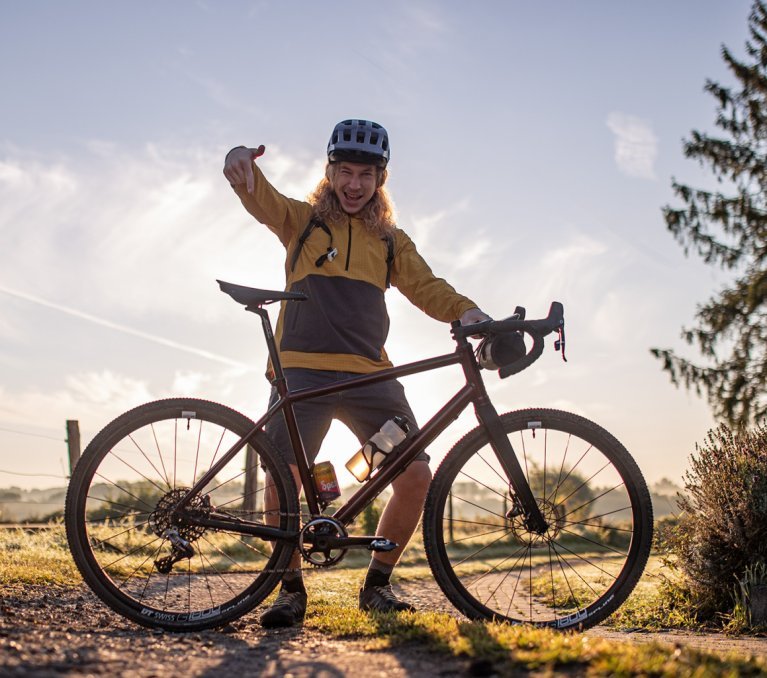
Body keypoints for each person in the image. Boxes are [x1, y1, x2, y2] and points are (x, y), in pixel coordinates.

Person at [223, 119, 489, 628]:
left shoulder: (390, 241)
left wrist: (471, 314)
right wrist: (239, 161)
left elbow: (428, 288)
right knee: (285, 480)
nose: (353, 184)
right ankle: (290, 590)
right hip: (302, 371)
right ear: (329, 172)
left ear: (380, 181)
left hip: (371, 378)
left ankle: (377, 586)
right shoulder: (301, 222)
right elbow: (261, 198)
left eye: (365, 174)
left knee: (414, 476)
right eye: (345, 171)